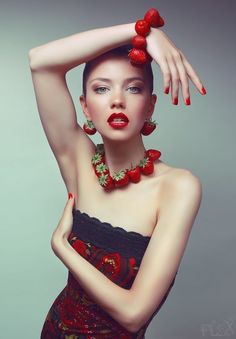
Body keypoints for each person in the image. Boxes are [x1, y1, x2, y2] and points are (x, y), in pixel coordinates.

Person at [29, 9, 205, 339]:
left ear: (150, 106)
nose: (117, 101)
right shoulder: (77, 160)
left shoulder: (179, 187)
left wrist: (62, 247)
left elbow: (133, 314)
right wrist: (140, 32)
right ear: (84, 107)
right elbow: (41, 61)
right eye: (101, 89)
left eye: (133, 89)